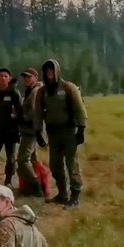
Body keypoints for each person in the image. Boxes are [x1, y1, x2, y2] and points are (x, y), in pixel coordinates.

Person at [31, 59, 87, 208]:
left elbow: (79, 108)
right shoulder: (42, 92)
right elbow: (38, 112)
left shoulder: (69, 88)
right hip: (53, 133)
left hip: (69, 131)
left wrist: (81, 129)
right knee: (55, 165)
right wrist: (38, 132)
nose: (49, 73)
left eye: (52, 70)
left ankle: (75, 195)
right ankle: (62, 194)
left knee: (71, 164)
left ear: (57, 71)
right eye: (47, 70)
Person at [15, 67, 46, 196]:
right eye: (25, 77)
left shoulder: (35, 91)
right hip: (30, 129)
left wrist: (20, 116)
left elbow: (34, 112)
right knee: (33, 159)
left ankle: (35, 186)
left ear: (35, 77)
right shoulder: (30, 90)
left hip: (31, 130)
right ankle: (33, 187)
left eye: (29, 77)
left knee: (22, 159)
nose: (26, 79)